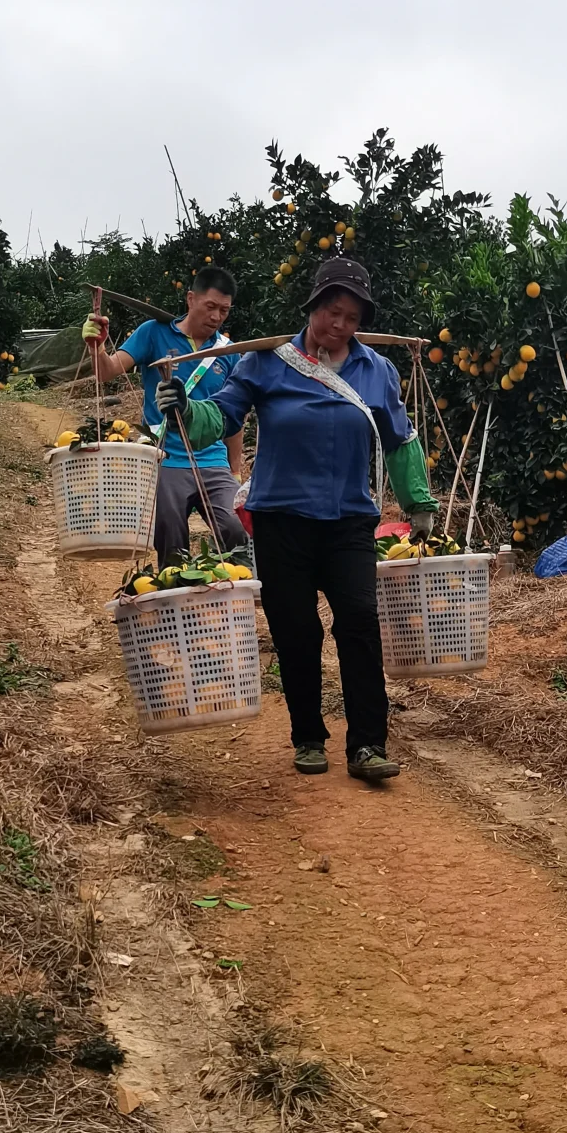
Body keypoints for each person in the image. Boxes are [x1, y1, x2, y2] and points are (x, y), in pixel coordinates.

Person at [155, 257, 438, 783]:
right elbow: (221, 416)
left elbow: (400, 440)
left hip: (350, 521)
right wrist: (184, 411)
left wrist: (418, 506)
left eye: (352, 318)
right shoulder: (266, 362)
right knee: (296, 631)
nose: (341, 326)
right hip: (281, 519)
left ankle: (368, 746)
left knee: (358, 625)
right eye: (333, 312)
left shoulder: (376, 371)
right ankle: (308, 735)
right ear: (312, 306)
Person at [81, 267, 247, 565]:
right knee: (171, 541)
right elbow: (107, 371)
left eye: (224, 310)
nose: (216, 317)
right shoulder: (153, 333)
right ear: (190, 299)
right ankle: (174, 607)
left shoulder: (229, 353)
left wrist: (235, 471)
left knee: (237, 529)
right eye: (210, 307)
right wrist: (98, 347)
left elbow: (233, 417)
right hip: (165, 459)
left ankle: (229, 602)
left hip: (213, 460)